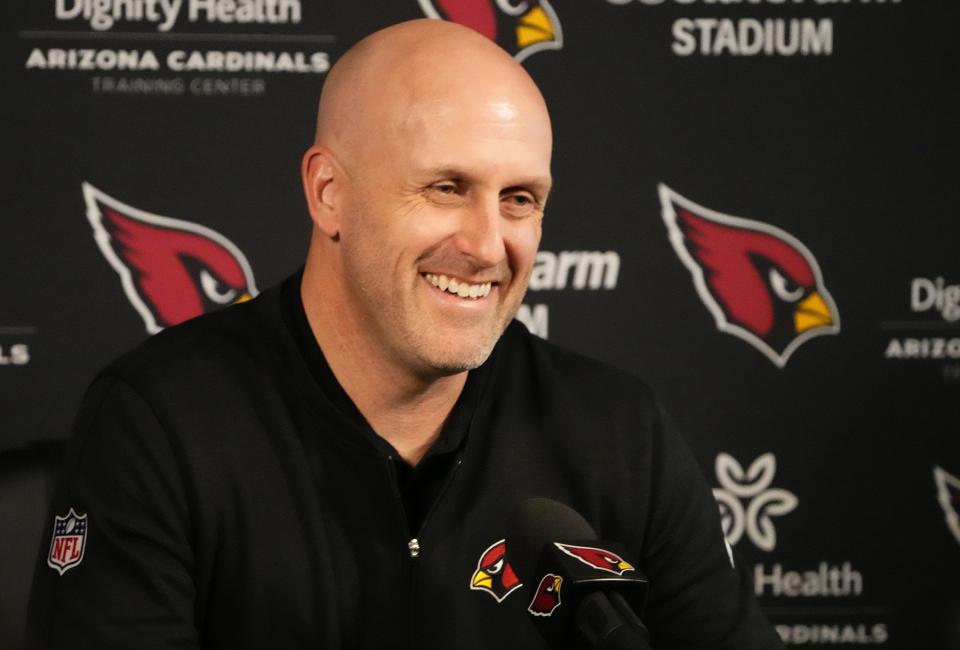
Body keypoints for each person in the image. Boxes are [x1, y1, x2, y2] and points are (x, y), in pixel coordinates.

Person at [28, 19, 783, 649]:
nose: (488, 245)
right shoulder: (159, 423)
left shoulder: (616, 430)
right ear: (330, 194)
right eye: (446, 187)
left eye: (519, 198)